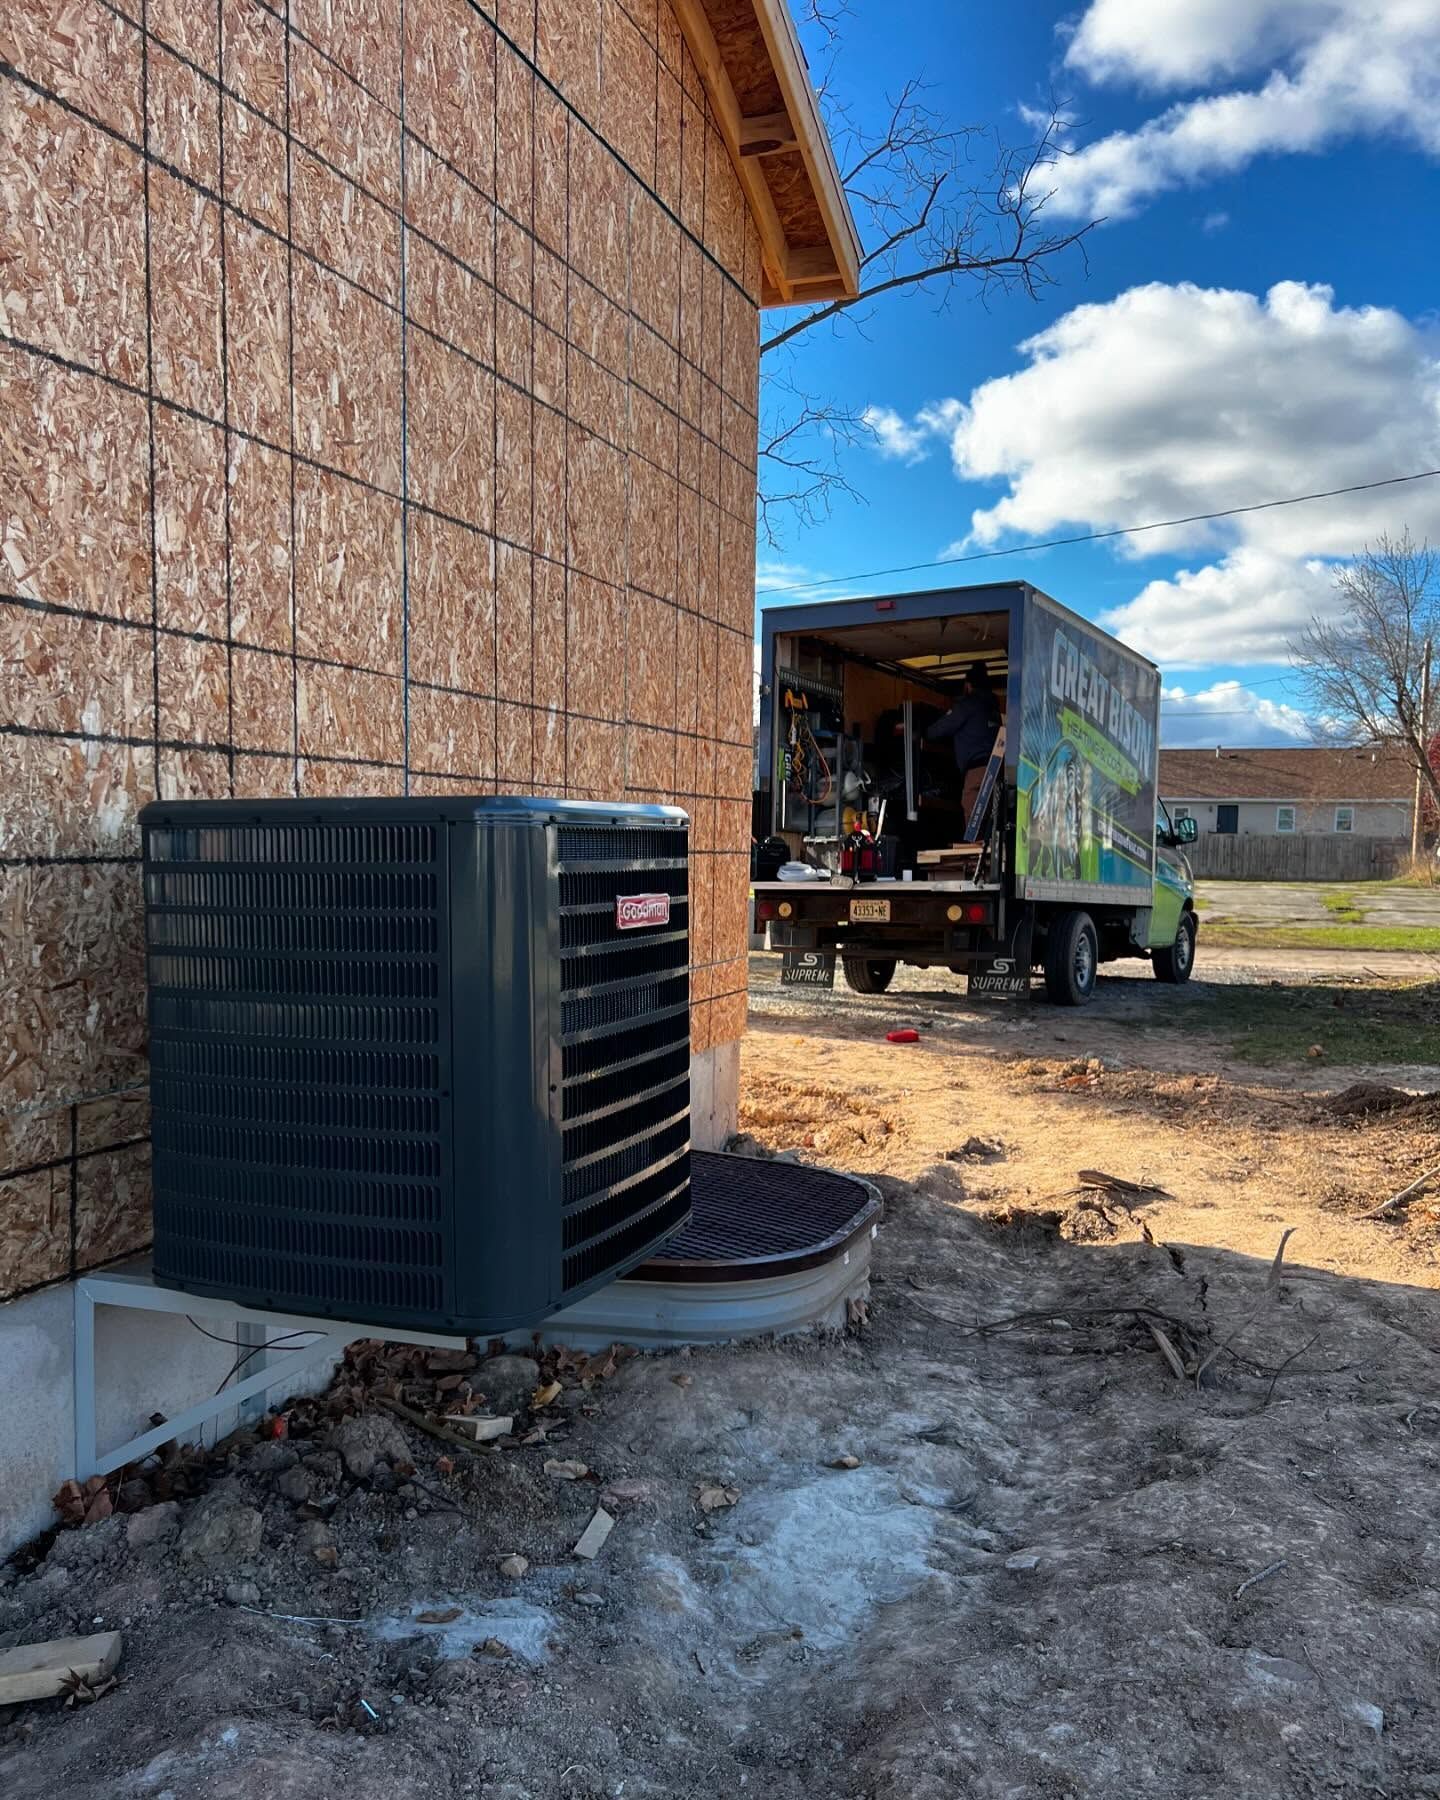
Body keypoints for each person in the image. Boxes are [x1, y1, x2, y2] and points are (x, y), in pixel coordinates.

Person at [925, 662, 1000, 822]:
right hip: (996, 769)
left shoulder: (968, 704)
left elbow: (940, 728)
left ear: (968, 685)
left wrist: (923, 732)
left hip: (977, 770)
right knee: (990, 818)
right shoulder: (993, 706)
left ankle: (975, 846)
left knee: (973, 815)